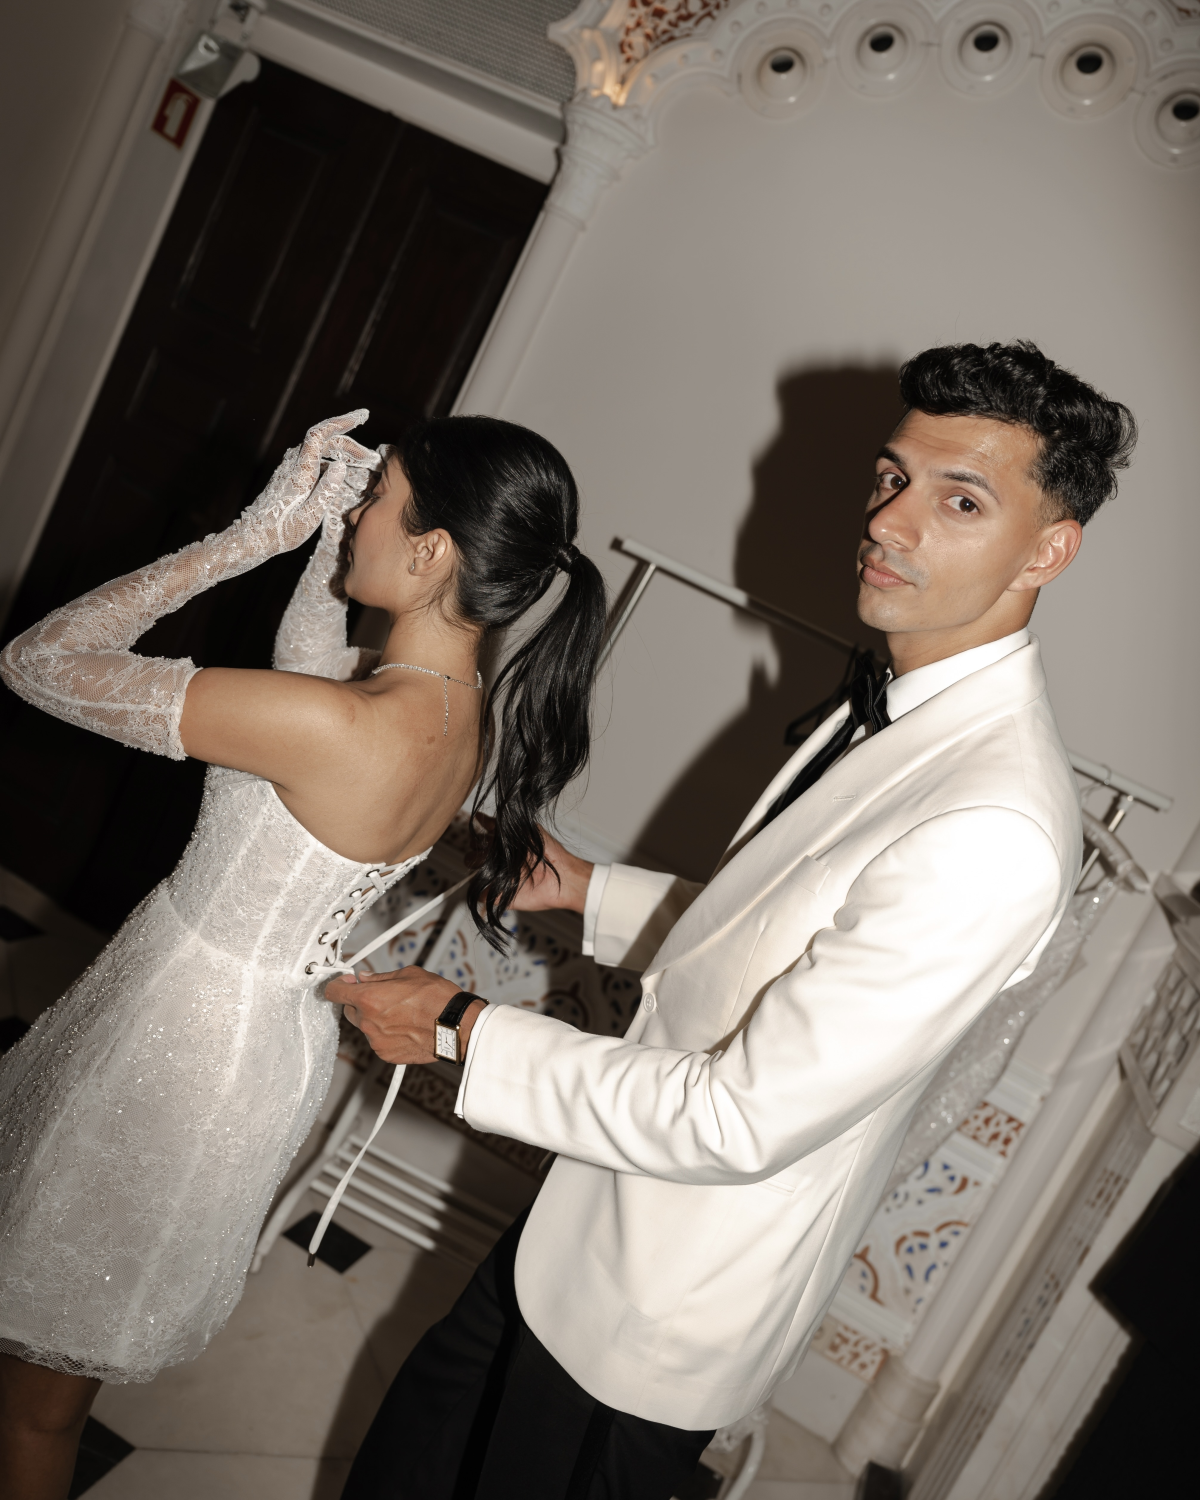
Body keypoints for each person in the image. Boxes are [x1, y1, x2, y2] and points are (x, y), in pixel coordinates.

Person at [327, 342, 1137, 1500]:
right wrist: (593, 892)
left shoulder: (996, 824)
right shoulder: (896, 704)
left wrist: (462, 1028)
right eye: (891, 478)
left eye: (961, 501)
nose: (891, 522)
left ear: (1049, 549)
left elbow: (741, 1118)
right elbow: (790, 935)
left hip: (660, 1304)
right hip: (584, 1224)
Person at [0, 411, 607, 1500]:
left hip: (179, 1041)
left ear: (431, 551)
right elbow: (309, 669)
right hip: (261, 1038)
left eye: (378, 499)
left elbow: (38, 663)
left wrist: (247, 539)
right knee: (50, 1357)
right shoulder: (455, 715)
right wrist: (325, 536)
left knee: (37, 1403)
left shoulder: (337, 724)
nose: (360, 513)